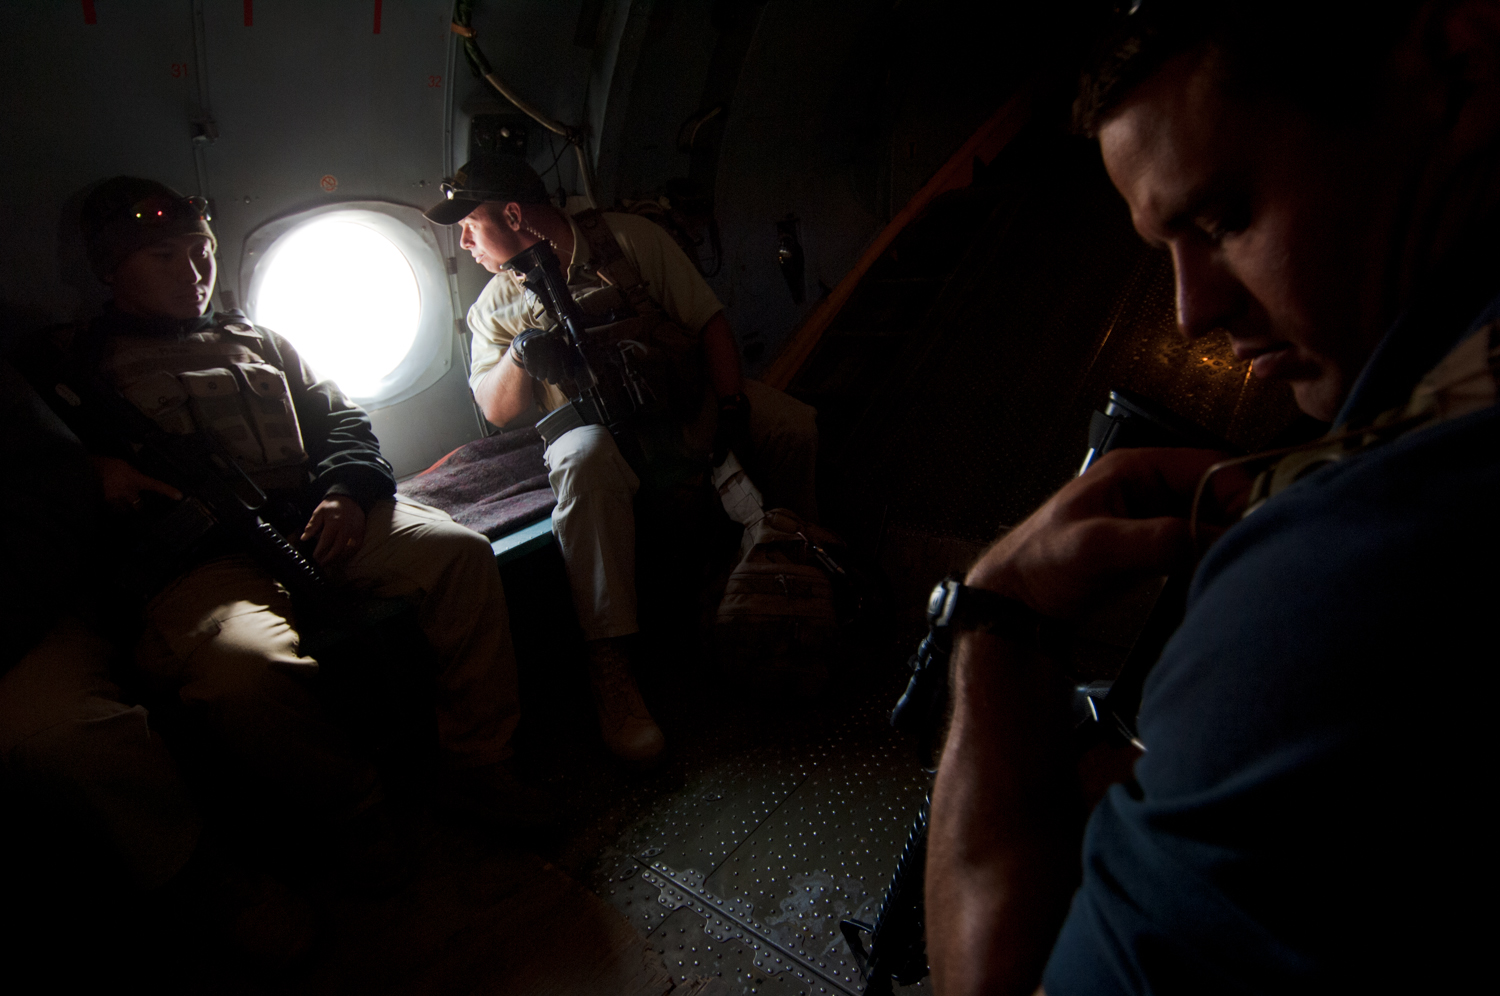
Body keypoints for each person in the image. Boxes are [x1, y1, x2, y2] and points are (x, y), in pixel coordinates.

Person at [924, 2, 1498, 993]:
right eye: (1165, 249)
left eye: (1225, 218)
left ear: (1456, 67)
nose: (1195, 312)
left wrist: (994, 619)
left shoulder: (1338, 584)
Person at [3, 177, 541, 921]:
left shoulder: (259, 338)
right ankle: (355, 809)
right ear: (109, 269)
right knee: (241, 674)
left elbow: (343, 424)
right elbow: (26, 463)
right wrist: (90, 470)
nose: (194, 274)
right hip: (200, 564)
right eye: (165, 257)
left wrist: (346, 493)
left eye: (202, 253)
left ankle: (480, 760)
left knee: (458, 554)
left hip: (312, 519)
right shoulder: (70, 369)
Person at [424, 156, 819, 762]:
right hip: (594, 432)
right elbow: (495, 408)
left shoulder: (630, 242)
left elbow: (708, 324)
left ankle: (797, 580)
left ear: (512, 214)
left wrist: (733, 408)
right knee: (581, 461)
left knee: (792, 426)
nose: (465, 241)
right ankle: (611, 665)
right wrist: (523, 356)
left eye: (471, 223)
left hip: (683, 400)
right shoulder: (492, 307)